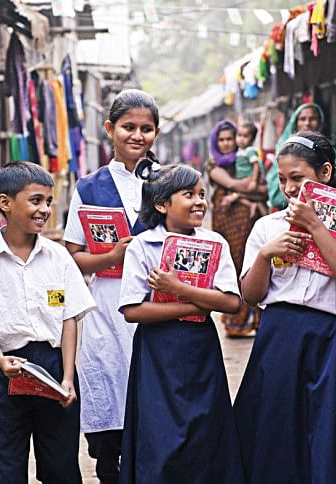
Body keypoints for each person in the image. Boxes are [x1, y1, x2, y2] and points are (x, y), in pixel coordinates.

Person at [234, 131, 336, 483]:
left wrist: (315, 226)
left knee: (329, 428)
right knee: (277, 428)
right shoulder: (268, 227)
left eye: (298, 177)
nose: (289, 188)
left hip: (329, 336)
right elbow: (250, 295)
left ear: (325, 172)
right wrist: (266, 255)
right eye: (282, 179)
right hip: (279, 335)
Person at [0, 162, 96, 484]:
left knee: (61, 465)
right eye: (35, 200)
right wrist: (0, 360)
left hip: (54, 368)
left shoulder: (59, 258)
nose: (45, 209)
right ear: (5, 203)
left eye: (48, 201)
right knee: (3, 464)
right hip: (5, 369)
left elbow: (69, 319)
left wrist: (67, 377)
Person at [118, 160, 244, 484]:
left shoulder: (215, 242)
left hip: (201, 347)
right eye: (189, 194)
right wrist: (195, 303)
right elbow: (132, 309)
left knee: (205, 428)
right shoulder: (142, 246)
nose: (200, 202)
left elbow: (232, 302)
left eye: (202, 194)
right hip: (158, 349)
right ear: (162, 204)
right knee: (159, 431)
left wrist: (179, 289)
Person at [63, 89, 159, 483]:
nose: (137, 135)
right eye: (128, 127)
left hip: (156, 301)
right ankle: (108, 464)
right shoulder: (89, 187)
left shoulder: (168, 181)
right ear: (109, 129)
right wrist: (112, 257)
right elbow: (73, 255)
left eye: (146, 129)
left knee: (151, 389)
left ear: (156, 133)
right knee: (107, 378)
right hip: (106, 302)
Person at [207, 120, 268, 337]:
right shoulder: (213, 165)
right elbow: (234, 184)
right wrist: (247, 190)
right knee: (230, 265)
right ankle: (236, 322)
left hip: (249, 220)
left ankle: (256, 320)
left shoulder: (245, 159)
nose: (226, 143)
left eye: (229, 139)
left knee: (251, 263)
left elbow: (263, 190)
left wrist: (243, 193)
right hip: (226, 220)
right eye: (221, 140)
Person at [266, 103, 336, 210]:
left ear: (326, 171)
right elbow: (275, 197)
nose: (307, 123)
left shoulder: (328, 149)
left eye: (312, 119)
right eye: (302, 119)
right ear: (295, 122)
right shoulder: (285, 149)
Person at [233, 123, 267, 219]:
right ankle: (254, 206)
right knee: (253, 200)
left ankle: (265, 216)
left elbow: (256, 165)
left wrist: (254, 181)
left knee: (237, 194)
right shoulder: (240, 151)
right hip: (242, 179)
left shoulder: (249, 151)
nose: (241, 139)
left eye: (245, 136)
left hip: (248, 179)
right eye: (239, 135)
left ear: (252, 139)